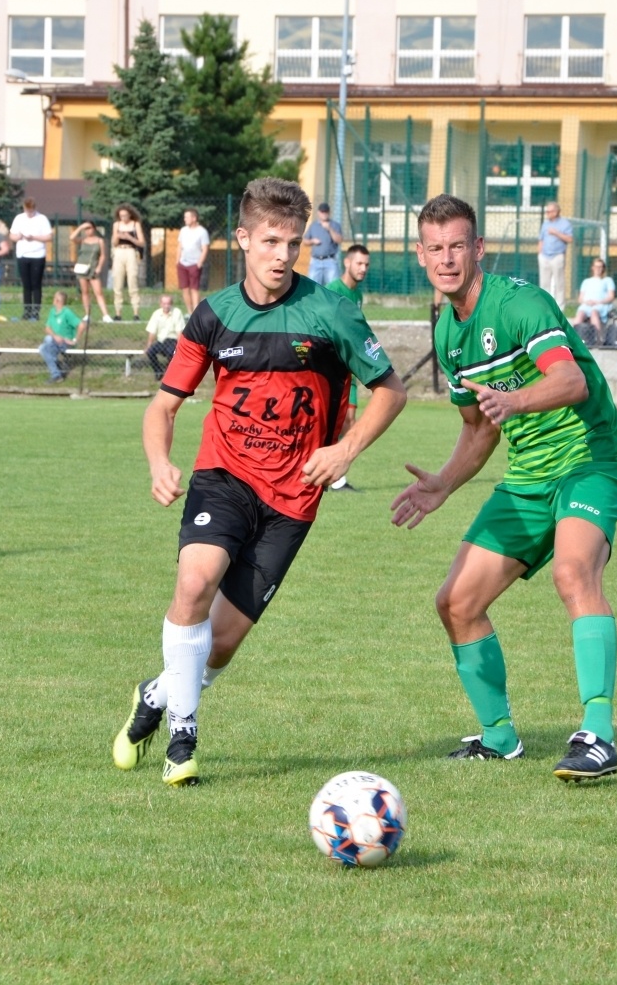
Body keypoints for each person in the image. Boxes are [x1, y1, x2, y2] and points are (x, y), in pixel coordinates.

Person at [111, 177, 408, 787]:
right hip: (223, 476)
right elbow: (163, 406)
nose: (282, 255)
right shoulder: (215, 313)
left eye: (293, 243)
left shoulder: (331, 312)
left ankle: (157, 693)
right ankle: (183, 737)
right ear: (243, 239)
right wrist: (159, 463)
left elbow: (390, 390)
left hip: (294, 497)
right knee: (195, 582)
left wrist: (345, 449)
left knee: (220, 645)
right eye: (271, 241)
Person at [390, 193, 617, 781]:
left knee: (573, 573)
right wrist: (443, 484)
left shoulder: (521, 303)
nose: (447, 259)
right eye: (435, 249)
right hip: (527, 476)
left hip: (589, 459)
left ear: (478, 248)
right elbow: (479, 429)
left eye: (457, 246)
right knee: (456, 602)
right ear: (421, 255)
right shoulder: (448, 334)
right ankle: (499, 737)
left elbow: (571, 380)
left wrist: (516, 400)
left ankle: (598, 734)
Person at [325, 243, 371, 492]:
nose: (363, 268)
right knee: (338, 422)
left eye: (366, 264)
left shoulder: (357, 295)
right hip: (332, 369)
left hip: (348, 369)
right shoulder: (333, 291)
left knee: (349, 421)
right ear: (347, 262)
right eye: (359, 263)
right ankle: (330, 475)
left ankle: (334, 476)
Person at [9, 197, 53, 321]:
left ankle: (36, 312)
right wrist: (18, 237)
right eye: (27, 210)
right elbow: (12, 235)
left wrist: (33, 237)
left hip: (37, 256)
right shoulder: (19, 218)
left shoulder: (42, 219)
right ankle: (27, 312)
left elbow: (49, 237)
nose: (29, 213)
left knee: (36, 284)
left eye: (31, 211)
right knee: (26, 285)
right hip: (22, 255)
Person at [69, 217, 112, 323]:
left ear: (94, 228)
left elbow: (102, 255)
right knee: (85, 291)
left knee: (98, 292)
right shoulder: (83, 240)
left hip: (93, 267)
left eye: (89, 228)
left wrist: (99, 267)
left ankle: (105, 315)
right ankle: (87, 314)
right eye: (86, 229)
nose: (88, 231)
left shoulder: (99, 240)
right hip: (82, 267)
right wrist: (80, 227)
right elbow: (72, 238)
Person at [109, 203, 146, 320]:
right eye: (121, 216)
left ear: (130, 215)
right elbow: (114, 243)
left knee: (132, 280)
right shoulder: (116, 225)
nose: (123, 218)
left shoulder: (135, 224)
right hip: (119, 252)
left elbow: (142, 242)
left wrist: (129, 238)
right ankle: (118, 312)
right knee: (117, 282)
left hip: (131, 252)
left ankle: (136, 312)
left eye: (125, 215)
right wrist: (117, 236)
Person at [38, 289, 81, 383]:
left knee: (44, 348)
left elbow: (81, 325)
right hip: (55, 341)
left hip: (64, 342)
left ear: (58, 301)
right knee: (44, 345)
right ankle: (59, 369)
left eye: (54, 298)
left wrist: (75, 340)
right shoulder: (52, 311)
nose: (53, 300)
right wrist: (55, 336)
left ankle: (56, 374)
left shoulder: (67, 312)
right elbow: (47, 328)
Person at [143, 292, 187, 379]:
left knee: (171, 352)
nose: (166, 306)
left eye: (168, 303)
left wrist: (179, 346)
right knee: (150, 352)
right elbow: (152, 331)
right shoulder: (156, 314)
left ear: (171, 304)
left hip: (173, 340)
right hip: (161, 341)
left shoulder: (177, 313)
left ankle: (169, 372)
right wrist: (148, 345)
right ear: (160, 304)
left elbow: (179, 332)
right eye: (164, 303)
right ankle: (158, 371)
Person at [538, 201, 573, 306]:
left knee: (559, 282)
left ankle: (560, 306)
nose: (547, 213)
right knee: (544, 283)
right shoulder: (545, 224)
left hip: (557, 256)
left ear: (556, 212)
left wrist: (556, 233)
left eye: (549, 211)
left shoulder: (565, 224)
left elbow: (570, 239)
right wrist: (540, 253)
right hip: (544, 256)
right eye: (547, 211)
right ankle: (545, 305)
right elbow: (541, 239)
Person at [176, 207, 210, 314]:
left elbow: (205, 248)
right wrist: (177, 261)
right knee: (185, 289)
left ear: (194, 218)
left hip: (194, 264)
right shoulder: (183, 230)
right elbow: (179, 246)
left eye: (187, 217)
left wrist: (199, 263)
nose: (185, 219)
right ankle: (189, 312)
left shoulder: (202, 232)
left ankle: (196, 313)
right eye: (184, 217)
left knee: (194, 289)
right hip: (183, 263)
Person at [572, 257, 616, 339]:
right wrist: (586, 302)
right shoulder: (586, 281)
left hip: (600, 305)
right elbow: (580, 298)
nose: (598, 269)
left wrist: (599, 302)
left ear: (603, 268)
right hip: (586, 305)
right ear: (592, 268)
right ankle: (573, 339)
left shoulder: (608, 280)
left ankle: (597, 339)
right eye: (596, 266)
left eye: (600, 267)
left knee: (594, 313)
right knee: (580, 314)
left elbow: (611, 296)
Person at [303, 202, 344, 286]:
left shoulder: (335, 225)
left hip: (330, 260)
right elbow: (305, 241)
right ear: (318, 213)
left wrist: (330, 229)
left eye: (326, 212)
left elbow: (339, 240)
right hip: (316, 261)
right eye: (322, 212)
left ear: (329, 212)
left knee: (333, 286)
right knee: (313, 286)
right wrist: (312, 241)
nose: (324, 214)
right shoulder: (314, 225)